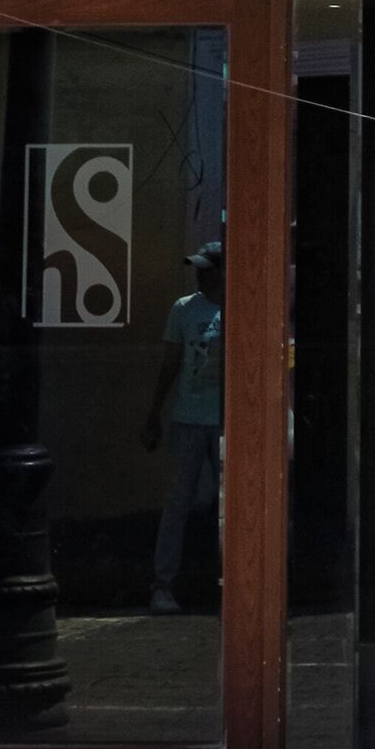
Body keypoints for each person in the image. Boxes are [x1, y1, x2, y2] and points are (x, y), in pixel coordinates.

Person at [141, 238, 224, 611]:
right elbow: (170, 363)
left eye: (208, 270)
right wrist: (155, 411)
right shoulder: (184, 310)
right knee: (177, 502)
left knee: (230, 505)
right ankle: (163, 585)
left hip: (225, 422)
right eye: (199, 271)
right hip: (189, 418)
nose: (201, 277)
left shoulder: (237, 308)